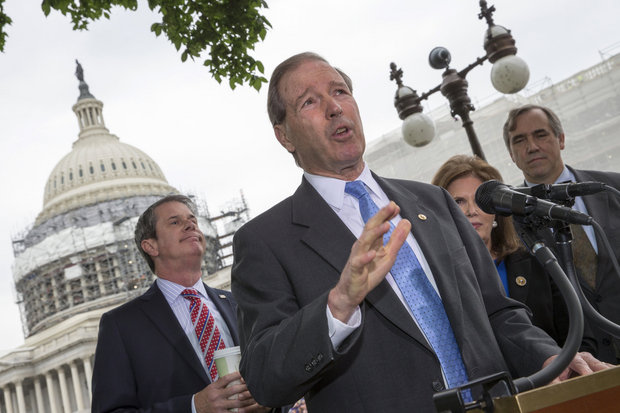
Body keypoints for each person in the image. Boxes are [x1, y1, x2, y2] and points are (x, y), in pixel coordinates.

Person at [230, 52, 609, 412]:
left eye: (340, 91)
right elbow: (264, 379)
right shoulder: (265, 241)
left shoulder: (434, 202)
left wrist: (551, 356)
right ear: (285, 136)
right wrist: (339, 305)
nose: (335, 107)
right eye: (310, 102)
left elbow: (497, 312)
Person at [91, 194, 271, 412]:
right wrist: (193, 407)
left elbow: (277, 376)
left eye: (193, 221)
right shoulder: (121, 325)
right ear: (151, 246)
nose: (190, 225)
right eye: (175, 222)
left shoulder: (238, 305)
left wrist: (269, 400)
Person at [432, 154, 597, 352]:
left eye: (478, 200)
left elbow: (579, 336)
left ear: (496, 209)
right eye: (458, 201)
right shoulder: (439, 278)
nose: (471, 211)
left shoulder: (536, 257)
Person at [504, 104, 620, 364]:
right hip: (582, 368)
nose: (532, 146)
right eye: (519, 140)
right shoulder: (509, 223)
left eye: (541, 134)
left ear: (562, 139)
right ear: (511, 154)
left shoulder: (612, 188)